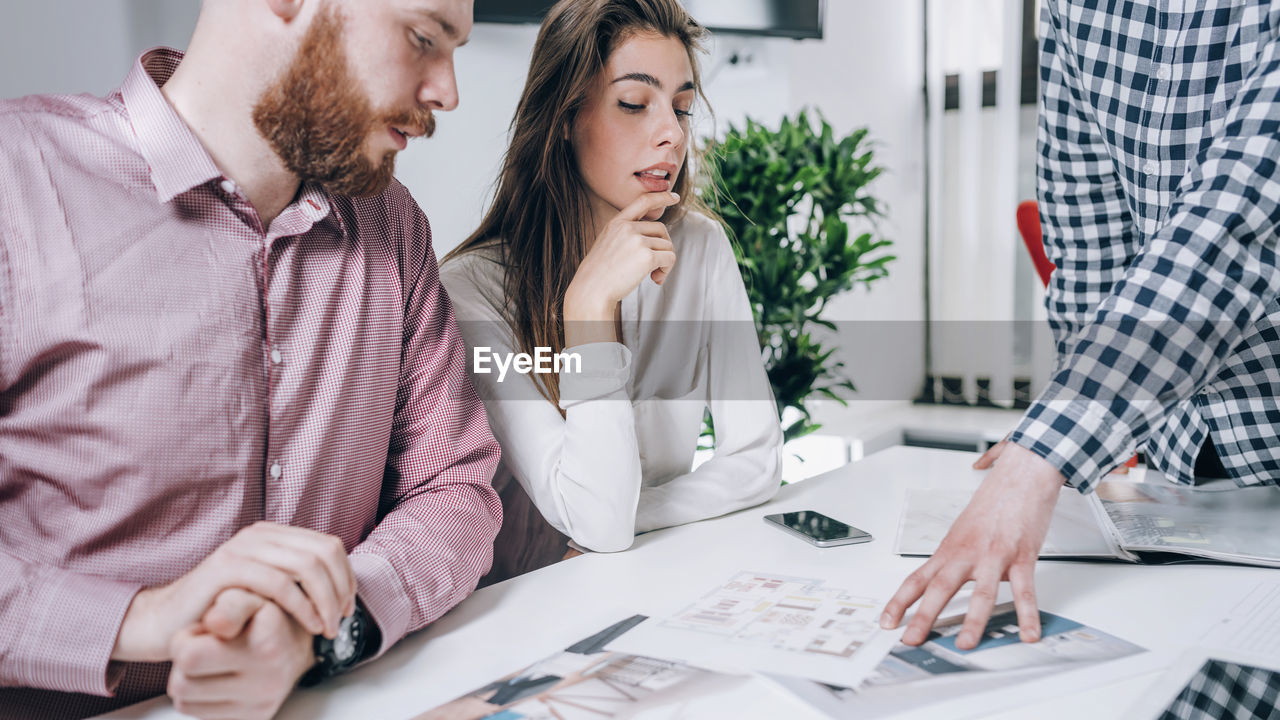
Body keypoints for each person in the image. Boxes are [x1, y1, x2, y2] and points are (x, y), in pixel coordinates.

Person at [0, 1, 502, 718]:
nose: (447, 91)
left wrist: (320, 628)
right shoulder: (15, 180)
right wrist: (144, 619)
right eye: (423, 37)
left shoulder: (392, 228)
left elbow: (455, 485)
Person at [883, 0, 1280, 678]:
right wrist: (1078, 438)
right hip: (1188, 472)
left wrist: (1047, 450)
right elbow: (1089, 239)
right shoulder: (1076, 9)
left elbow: (1228, 233)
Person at [440, 0, 782, 582]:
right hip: (524, 601)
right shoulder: (474, 289)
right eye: (633, 103)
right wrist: (589, 310)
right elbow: (595, 521)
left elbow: (755, 461)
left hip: (650, 572)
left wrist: (638, 514)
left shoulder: (698, 249)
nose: (672, 134)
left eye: (681, 108)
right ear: (565, 116)